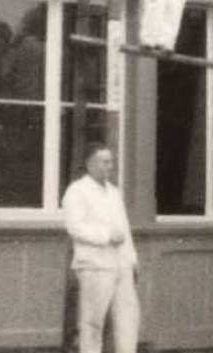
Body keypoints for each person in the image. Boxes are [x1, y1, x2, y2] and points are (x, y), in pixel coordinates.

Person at [62, 144, 139, 353]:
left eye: (111, 161)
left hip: (121, 265)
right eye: (105, 161)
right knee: (92, 323)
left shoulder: (114, 192)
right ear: (89, 164)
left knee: (128, 319)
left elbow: (124, 228)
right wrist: (106, 236)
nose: (110, 166)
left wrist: (132, 260)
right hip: (94, 266)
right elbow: (75, 227)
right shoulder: (77, 191)